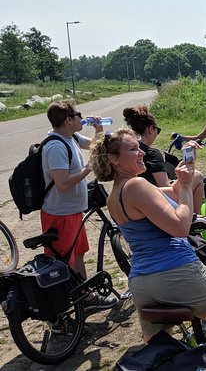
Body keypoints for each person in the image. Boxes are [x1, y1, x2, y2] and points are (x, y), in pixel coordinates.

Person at [89, 128, 206, 370]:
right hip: (177, 270)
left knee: (159, 351)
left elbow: (174, 191)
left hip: (142, 283)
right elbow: (180, 227)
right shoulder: (136, 185)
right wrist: (185, 188)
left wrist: (187, 171)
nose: (141, 152)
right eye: (133, 149)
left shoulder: (116, 195)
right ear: (113, 160)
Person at [41, 100, 119, 312]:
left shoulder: (71, 137)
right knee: (62, 262)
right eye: (78, 114)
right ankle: (62, 306)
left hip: (72, 211)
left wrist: (99, 128)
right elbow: (63, 183)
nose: (81, 117)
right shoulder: (56, 146)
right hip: (60, 214)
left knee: (78, 255)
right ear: (68, 120)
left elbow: (95, 145)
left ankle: (86, 298)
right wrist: (88, 169)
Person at [123, 105, 205, 205]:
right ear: (150, 129)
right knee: (197, 175)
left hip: (136, 198)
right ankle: (194, 217)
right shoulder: (152, 154)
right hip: (155, 200)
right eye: (158, 130)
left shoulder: (127, 151)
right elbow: (167, 188)